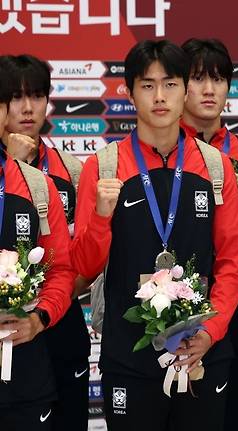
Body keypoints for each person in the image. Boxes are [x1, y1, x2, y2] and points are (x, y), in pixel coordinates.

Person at [70, 40, 238, 430]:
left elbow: (233, 260)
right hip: (129, 359)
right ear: (128, 92)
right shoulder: (103, 167)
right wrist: (101, 217)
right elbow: (83, 266)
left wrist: (209, 331)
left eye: (169, 84)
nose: (160, 96)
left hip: (203, 353)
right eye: (147, 85)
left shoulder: (215, 166)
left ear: (185, 89)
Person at [180, 38, 238, 431]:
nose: (210, 90)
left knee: (235, 411)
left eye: (219, 79)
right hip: (172, 293)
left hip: (236, 292)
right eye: (198, 79)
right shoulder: (160, 149)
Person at [1, 54, 90, 431]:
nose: (26, 107)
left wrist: (51, 302)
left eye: (36, 96)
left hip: (58, 318)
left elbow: (81, 255)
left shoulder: (71, 170)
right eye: (15, 97)